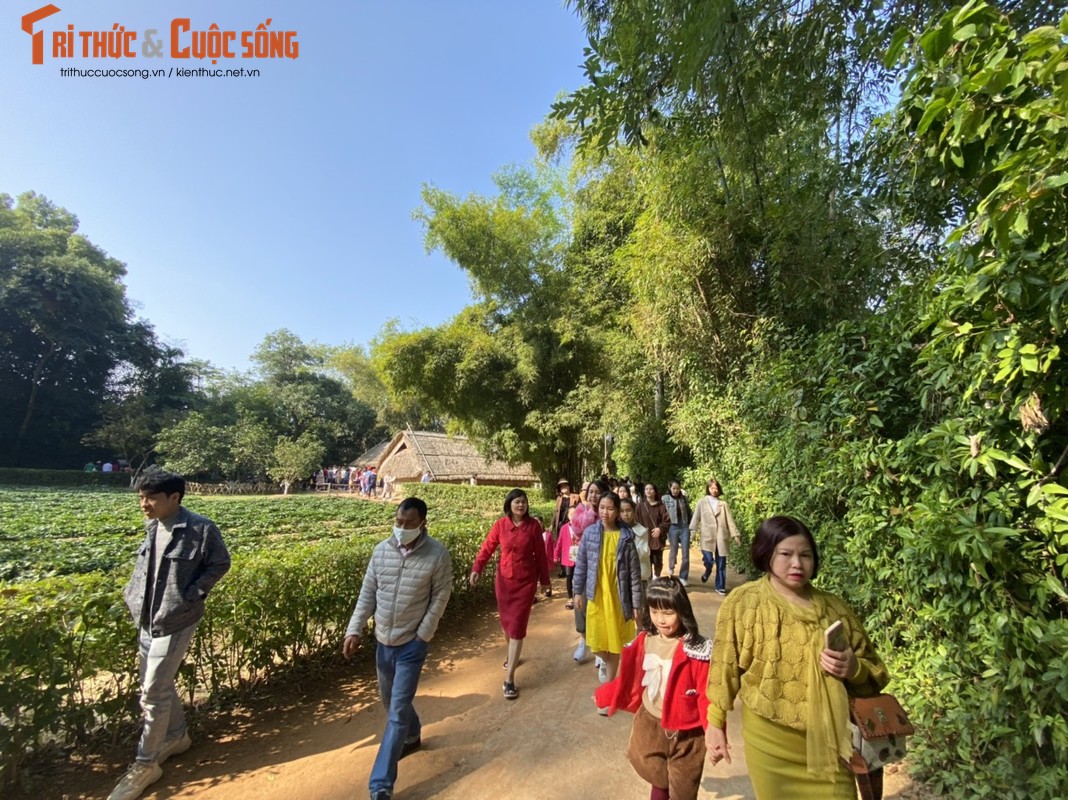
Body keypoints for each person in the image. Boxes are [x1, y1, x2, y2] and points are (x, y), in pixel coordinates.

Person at [705, 515, 890, 800]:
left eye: (805, 555)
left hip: (832, 744)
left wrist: (853, 668)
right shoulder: (744, 603)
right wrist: (715, 725)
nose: (797, 563)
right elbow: (724, 668)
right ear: (767, 554)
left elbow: (875, 674)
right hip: (770, 745)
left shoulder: (834, 609)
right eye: (786, 554)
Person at [109, 471, 231, 800]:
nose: (143, 505)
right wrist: (130, 595)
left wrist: (193, 593)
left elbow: (220, 563)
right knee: (158, 685)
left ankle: (146, 763)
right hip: (147, 619)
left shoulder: (201, 529)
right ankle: (177, 736)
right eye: (141, 498)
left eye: (150, 498)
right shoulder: (153, 528)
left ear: (174, 498)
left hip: (176, 620)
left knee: (152, 693)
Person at [343, 497, 453, 800]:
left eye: (408, 524)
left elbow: (441, 595)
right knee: (391, 702)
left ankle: (381, 785)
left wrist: (423, 634)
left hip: (411, 645)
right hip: (383, 643)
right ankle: (414, 734)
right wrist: (354, 629)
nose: (401, 529)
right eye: (398, 522)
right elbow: (367, 593)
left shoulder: (437, 554)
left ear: (422, 524)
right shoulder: (381, 552)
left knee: (396, 712)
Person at [595, 577, 711, 800]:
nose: (661, 620)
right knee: (658, 779)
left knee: (683, 789)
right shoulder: (645, 641)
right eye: (655, 612)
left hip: (687, 733)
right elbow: (630, 679)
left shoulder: (698, 649)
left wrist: (715, 731)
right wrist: (605, 695)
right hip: (650, 724)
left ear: (682, 610)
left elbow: (707, 695)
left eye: (668, 612)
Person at [469, 489, 551, 699]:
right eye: (517, 502)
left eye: (523, 502)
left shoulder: (533, 526)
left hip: (526, 582)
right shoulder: (500, 525)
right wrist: (477, 569)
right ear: (509, 504)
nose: (520, 505)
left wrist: (545, 581)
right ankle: (512, 655)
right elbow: (487, 547)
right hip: (504, 582)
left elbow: (540, 555)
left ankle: (510, 679)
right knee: (506, 624)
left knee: (516, 626)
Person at [573, 491, 643, 686]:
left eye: (610, 508)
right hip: (596, 595)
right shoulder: (590, 533)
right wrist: (577, 591)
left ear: (617, 511)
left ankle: (609, 687)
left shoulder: (626, 537)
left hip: (618, 598)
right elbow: (581, 566)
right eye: (602, 507)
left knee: (615, 642)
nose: (605, 512)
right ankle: (604, 659)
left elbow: (634, 574)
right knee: (594, 641)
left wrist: (637, 603)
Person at [570, 479, 604, 661]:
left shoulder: (608, 511)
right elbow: (577, 529)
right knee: (581, 603)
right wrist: (591, 512)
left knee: (599, 605)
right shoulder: (581, 510)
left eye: (598, 492)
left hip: (604, 566)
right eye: (591, 492)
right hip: (585, 564)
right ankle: (583, 640)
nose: (594, 495)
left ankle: (599, 645)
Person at [689, 478, 741, 594]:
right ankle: (708, 570)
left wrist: (735, 535)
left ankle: (720, 586)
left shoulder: (723, 504)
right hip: (707, 536)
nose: (714, 490)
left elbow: (730, 521)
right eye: (712, 488)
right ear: (708, 489)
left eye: (716, 488)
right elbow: (695, 519)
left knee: (721, 562)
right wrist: (691, 534)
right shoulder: (702, 502)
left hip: (721, 536)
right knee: (708, 559)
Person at [635, 483, 670, 578]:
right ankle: (648, 583)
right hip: (644, 539)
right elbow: (635, 521)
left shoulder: (661, 506)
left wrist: (660, 529)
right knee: (646, 562)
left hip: (657, 539)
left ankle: (656, 577)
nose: (648, 491)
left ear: (655, 492)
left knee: (658, 561)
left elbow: (667, 521)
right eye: (646, 489)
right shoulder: (640, 506)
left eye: (651, 489)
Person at [662, 481, 692, 585]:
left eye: (677, 488)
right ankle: (671, 567)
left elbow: (689, 511)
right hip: (672, 526)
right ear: (670, 488)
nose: (675, 490)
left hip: (684, 526)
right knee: (673, 550)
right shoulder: (665, 498)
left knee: (685, 553)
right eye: (673, 488)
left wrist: (690, 525)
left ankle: (683, 577)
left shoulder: (683, 498)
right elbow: (662, 512)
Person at [620, 497, 651, 590]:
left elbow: (643, 552)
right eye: (622, 511)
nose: (626, 514)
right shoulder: (616, 531)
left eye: (629, 510)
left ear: (634, 511)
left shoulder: (642, 531)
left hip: (639, 575)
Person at [554, 505, 578, 609]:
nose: (573, 516)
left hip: (579, 556)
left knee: (579, 577)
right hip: (568, 557)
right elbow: (559, 543)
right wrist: (556, 555)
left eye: (575, 514)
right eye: (571, 514)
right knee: (569, 577)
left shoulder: (582, 526)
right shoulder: (564, 528)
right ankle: (570, 598)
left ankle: (578, 596)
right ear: (567, 515)